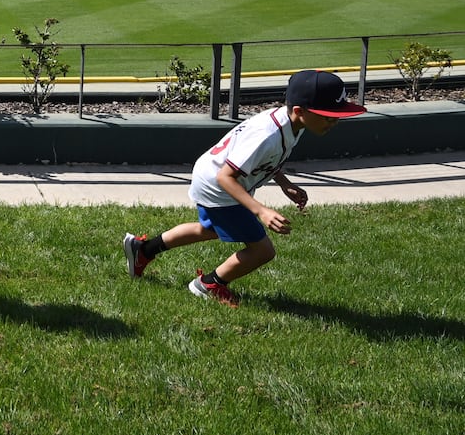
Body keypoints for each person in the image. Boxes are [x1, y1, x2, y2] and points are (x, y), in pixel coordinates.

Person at [122, 70, 366, 306]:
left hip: (212, 176)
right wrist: (261, 211)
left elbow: (263, 159)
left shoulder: (292, 123)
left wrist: (284, 183)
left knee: (209, 229)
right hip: (219, 186)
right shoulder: (268, 134)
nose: (334, 121)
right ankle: (208, 285)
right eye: (328, 115)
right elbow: (225, 177)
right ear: (300, 111)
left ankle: (143, 249)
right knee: (262, 251)